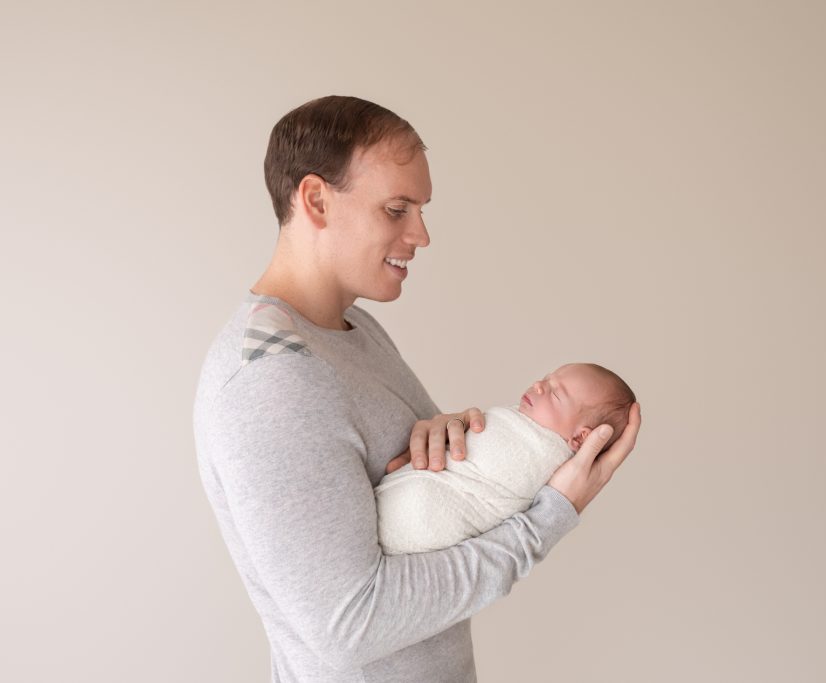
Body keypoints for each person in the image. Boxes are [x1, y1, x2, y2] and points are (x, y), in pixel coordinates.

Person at [192, 95, 641, 683]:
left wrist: (441, 439)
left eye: (420, 209)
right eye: (397, 208)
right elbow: (351, 627)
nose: (421, 234)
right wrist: (549, 518)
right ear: (316, 200)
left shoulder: (350, 330)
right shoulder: (272, 379)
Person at [376, 363, 636, 555]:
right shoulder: (519, 425)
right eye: (546, 379)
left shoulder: (543, 455)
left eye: (555, 394)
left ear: (580, 439)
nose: (539, 386)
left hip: (423, 521)